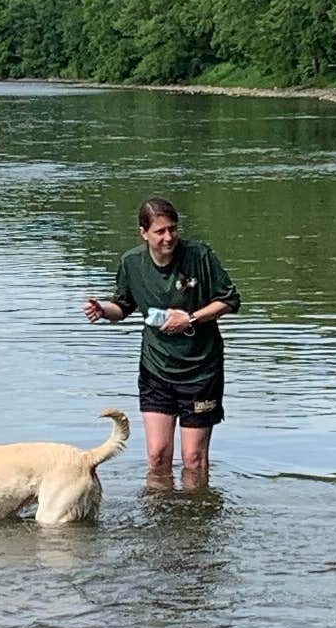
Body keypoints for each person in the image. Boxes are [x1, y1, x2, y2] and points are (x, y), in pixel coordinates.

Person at [84, 193, 240, 488]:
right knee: (157, 456)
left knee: (193, 458)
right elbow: (123, 306)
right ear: (143, 233)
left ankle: (196, 523)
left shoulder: (199, 256)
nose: (168, 237)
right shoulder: (131, 262)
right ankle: (159, 521)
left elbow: (230, 300)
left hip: (201, 370)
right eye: (160, 231)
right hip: (156, 369)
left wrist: (190, 318)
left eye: (173, 229)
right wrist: (103, 310)